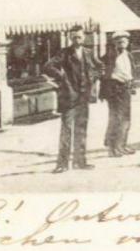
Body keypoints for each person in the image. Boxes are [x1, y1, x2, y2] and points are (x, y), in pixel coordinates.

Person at [43, 26, 104, 173]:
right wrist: (62, 77)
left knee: (81, 129)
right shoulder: (65, 53)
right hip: (69, 96)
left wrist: (93, 77)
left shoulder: (89, 52)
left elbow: (101, 66)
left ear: (84, 38)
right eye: (74, 37)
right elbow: (48, 66)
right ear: (70, 38)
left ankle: (80, 162)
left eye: (79, 37)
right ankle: (62, 164)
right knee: (67, 130)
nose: (77, 40)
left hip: (84, 96)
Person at [101, 31, 135, 157]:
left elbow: (130, 71)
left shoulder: (128, 55)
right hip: (114, 89)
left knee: (126, 118)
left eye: (124, 41)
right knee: (115, 118)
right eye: (119, 41)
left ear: (128, 42)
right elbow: (100, 70)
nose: (122, 43)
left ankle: (122, 145)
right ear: (114, 42)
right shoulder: (110, 55)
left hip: (126, 88)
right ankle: (112, 147)